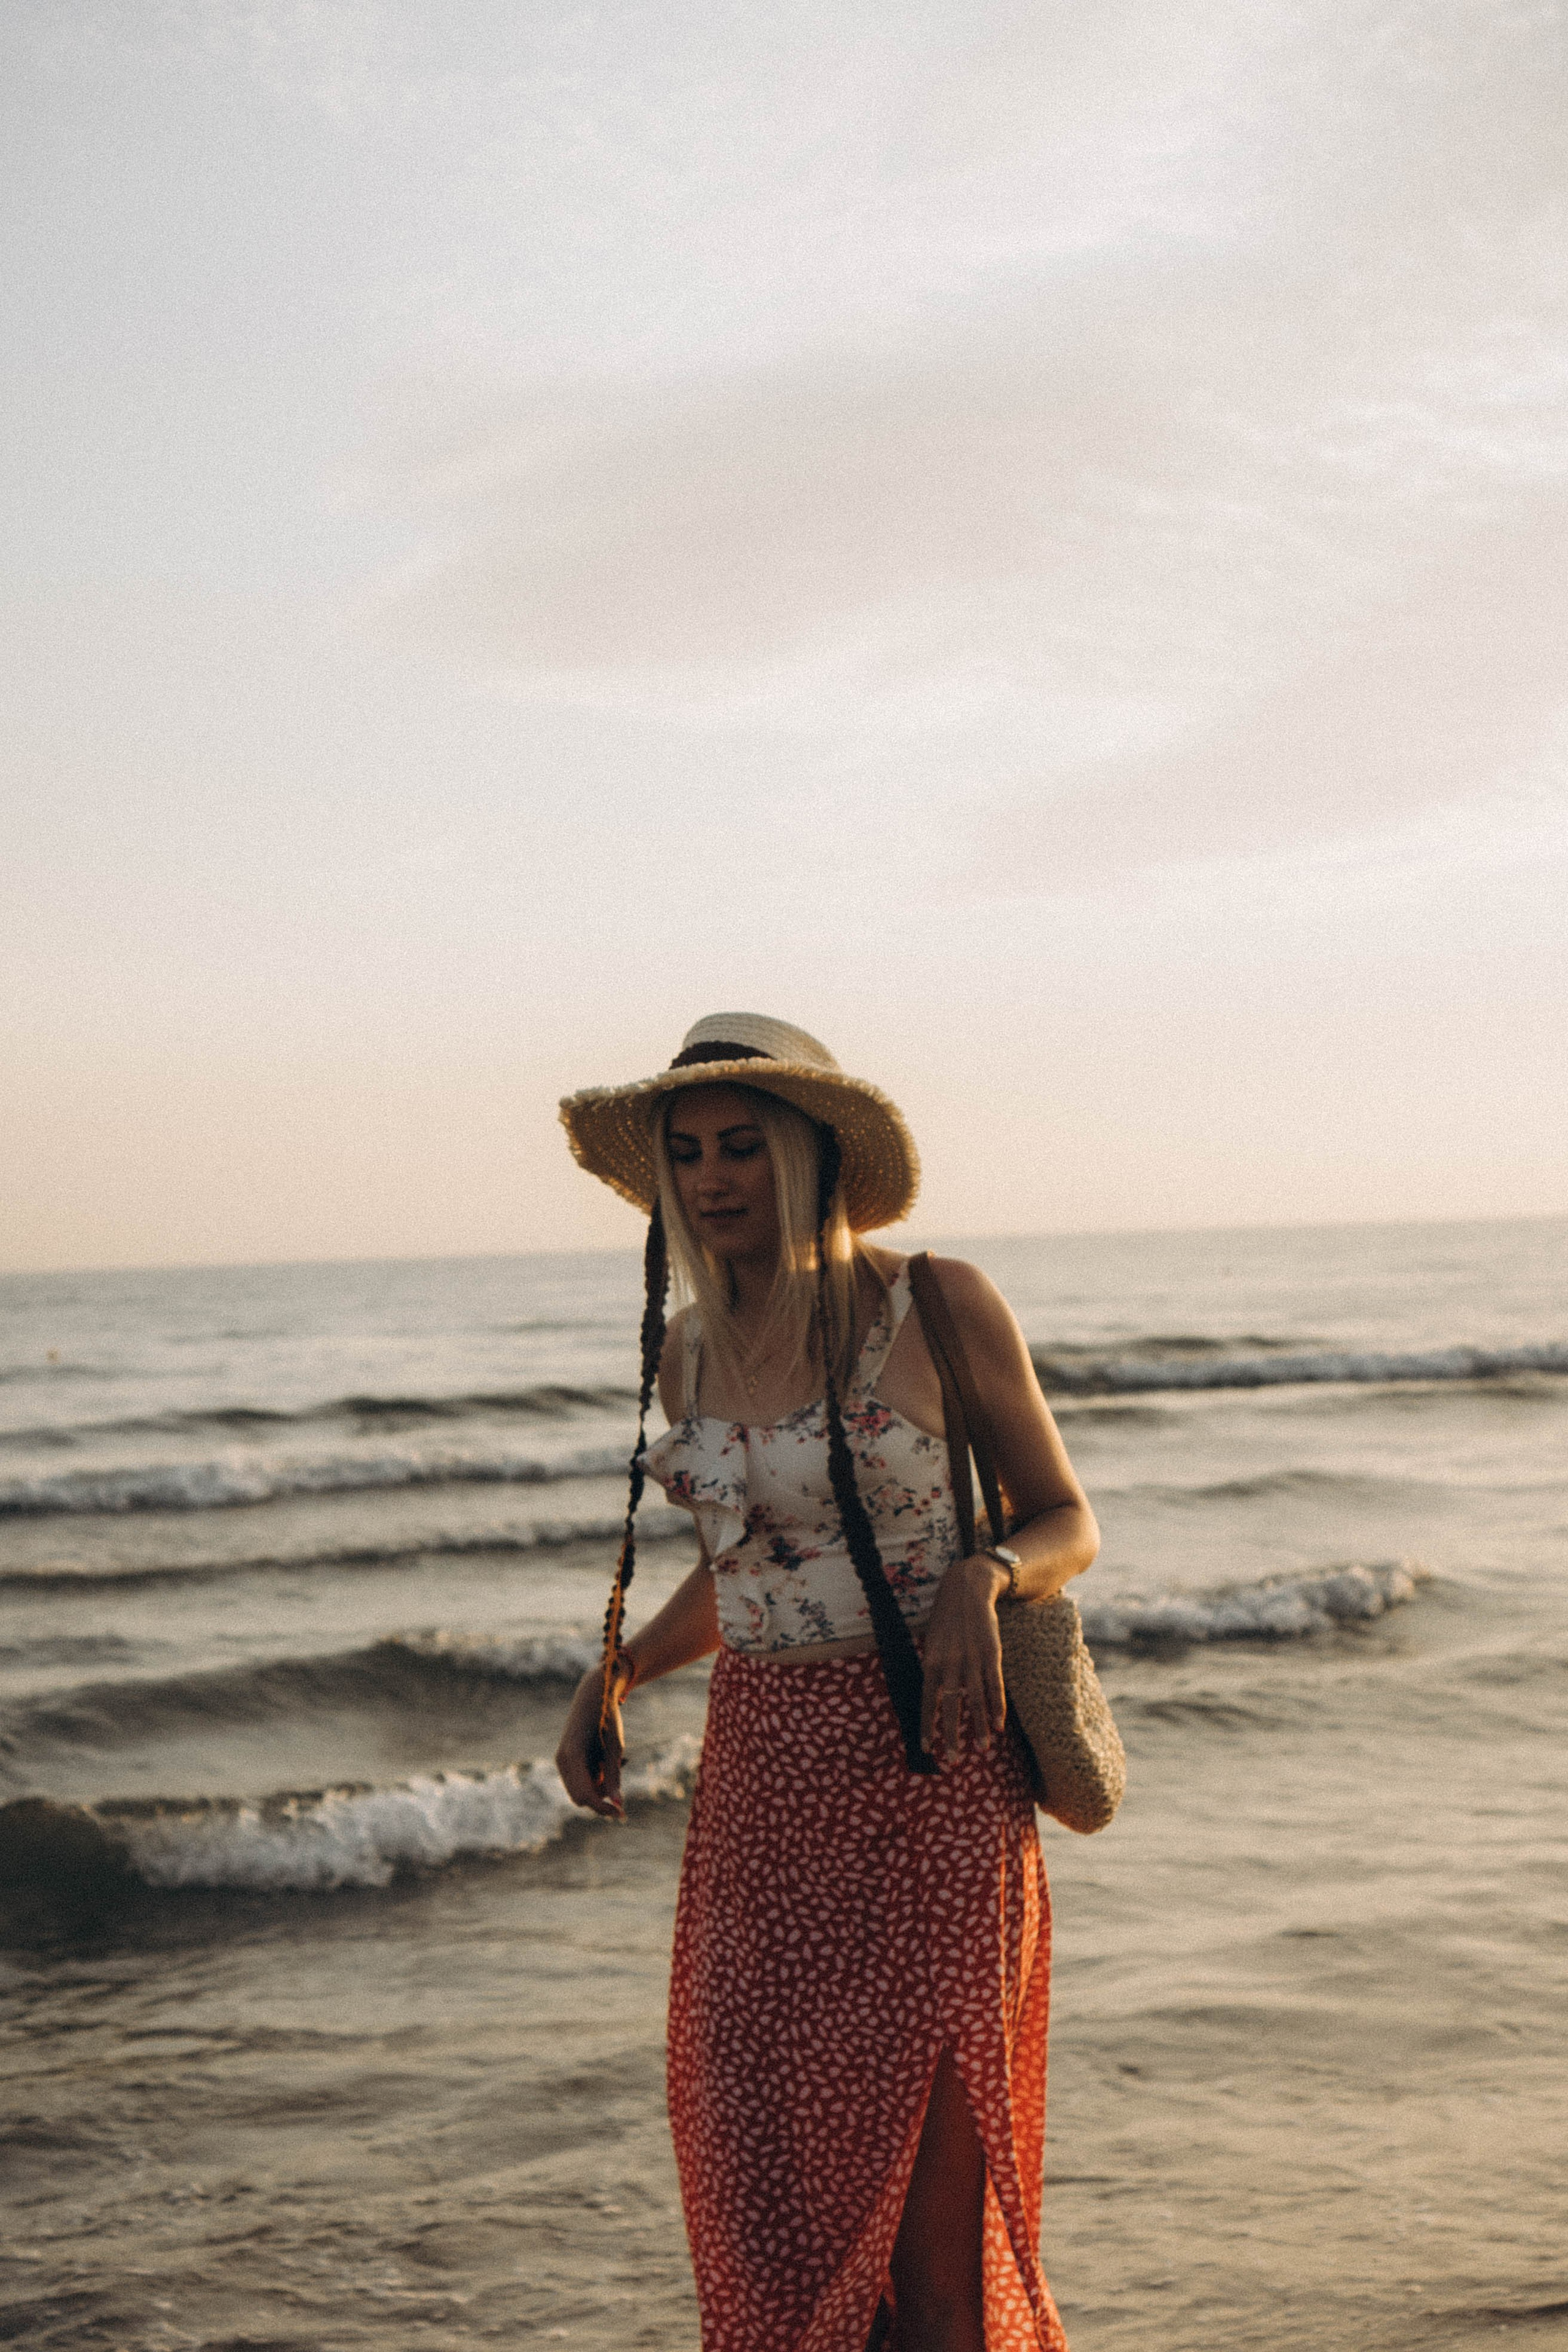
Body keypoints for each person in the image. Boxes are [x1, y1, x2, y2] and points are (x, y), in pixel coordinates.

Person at [556, 1014, 1098, 2352]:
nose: (712, 1179)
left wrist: (982, 1578)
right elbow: (744, 1575)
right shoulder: (688, 1350)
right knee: (771, 2192)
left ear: (809, 1156)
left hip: (931, 1773)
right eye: (688, 1155)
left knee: (929, 2243)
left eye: (742, 1146)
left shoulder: (936, 1304)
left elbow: (1065, 1519)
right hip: (763, 1794)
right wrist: (615, 1674)